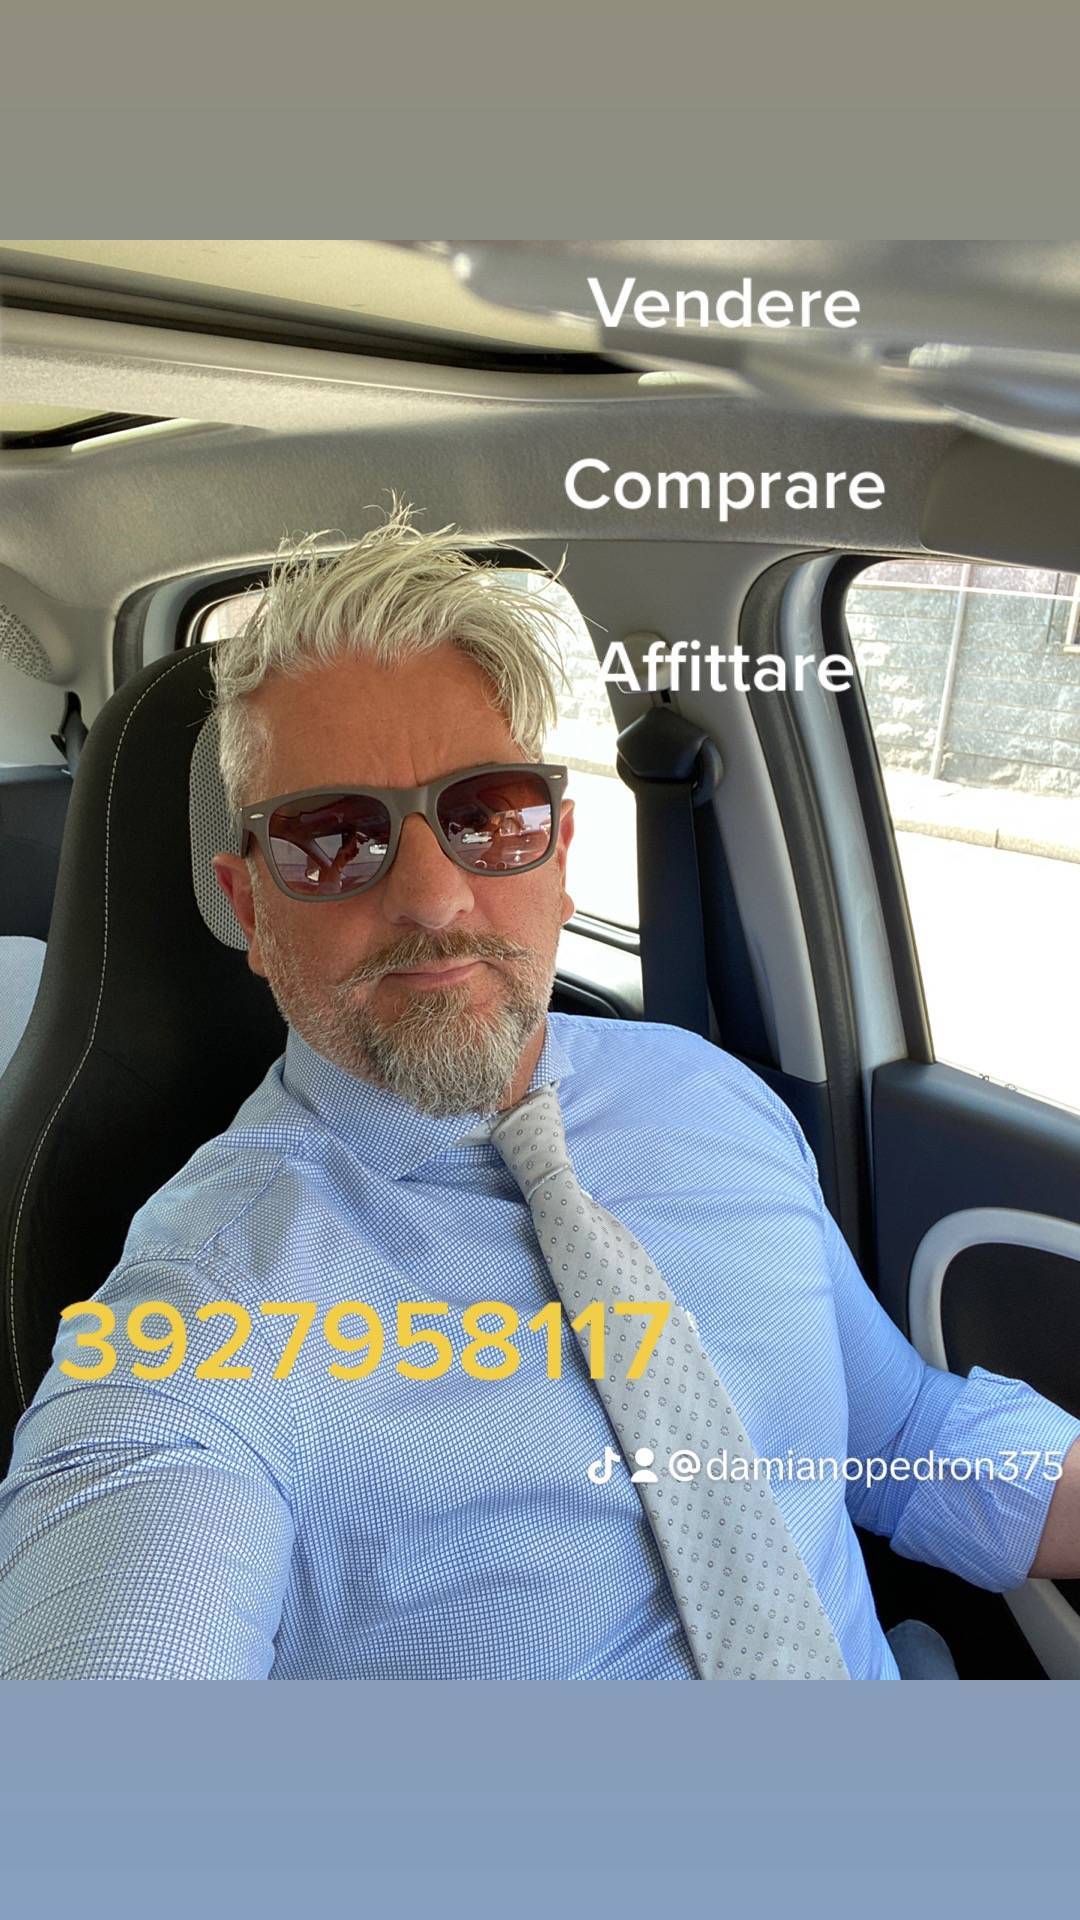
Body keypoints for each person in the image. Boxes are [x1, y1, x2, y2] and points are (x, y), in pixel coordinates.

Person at [1, 504, 1078, 1681]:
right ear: (251, 908)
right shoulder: (207, 1316)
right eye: (332, 838)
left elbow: (903, 1438)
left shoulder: (709, 1098)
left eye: (488, 816)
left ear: (559, 855)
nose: (433, 899)